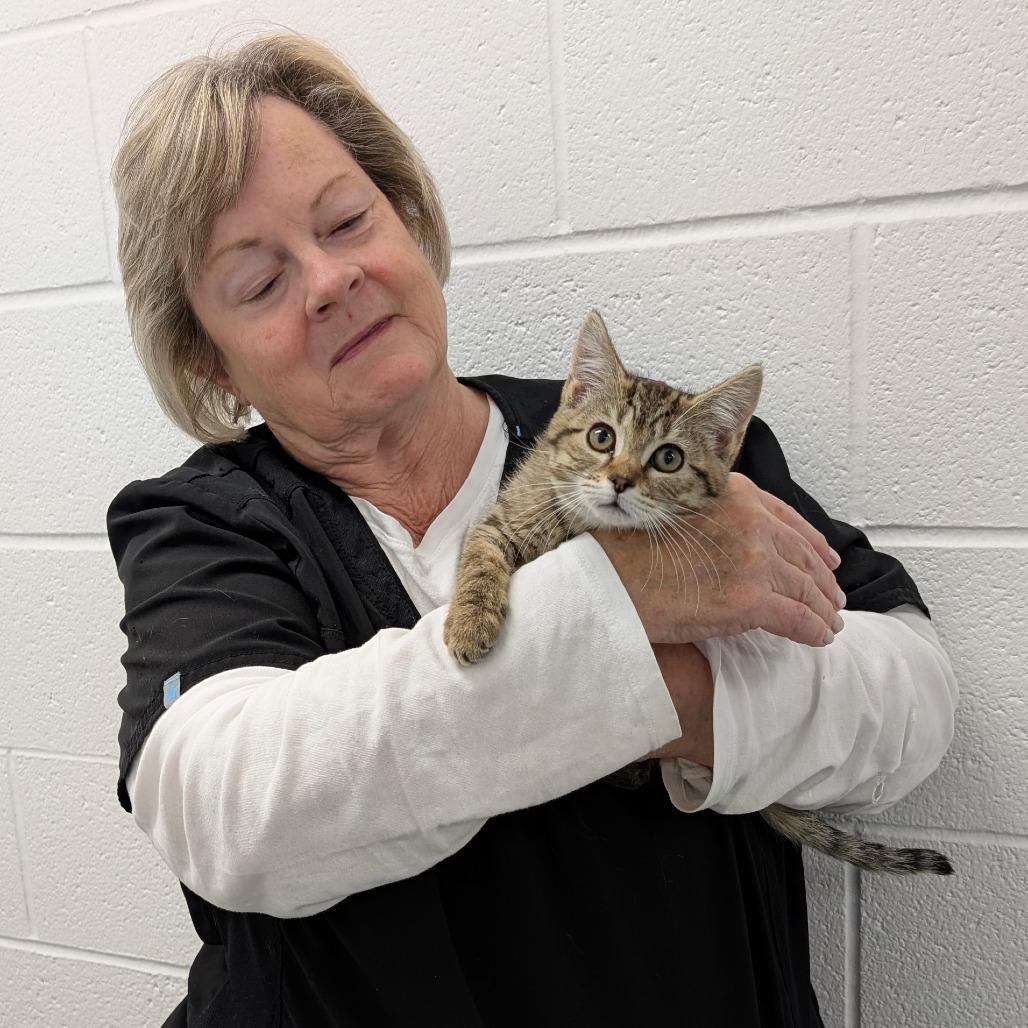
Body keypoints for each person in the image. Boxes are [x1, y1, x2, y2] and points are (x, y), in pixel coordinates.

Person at [108, 30, 957, 1028]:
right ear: (210, 362)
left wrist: (676, 692)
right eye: (257, 282)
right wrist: (616, 605)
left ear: (408, 220)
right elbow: (228, 809)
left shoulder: (669, 449)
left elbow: (908, 696)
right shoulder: (203, 525)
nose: (330, 280)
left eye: (345, 221)